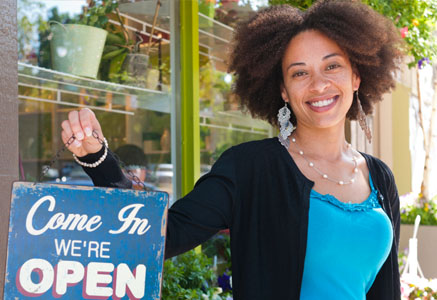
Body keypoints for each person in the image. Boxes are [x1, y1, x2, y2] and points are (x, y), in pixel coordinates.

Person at [60, 1, 403, 299]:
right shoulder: (251, 168)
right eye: (300, 73)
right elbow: (166, 233)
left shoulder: (379, 177)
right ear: (283, 90)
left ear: (356, 76)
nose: (318, 85)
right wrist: (97, 159)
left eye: (332, 66)